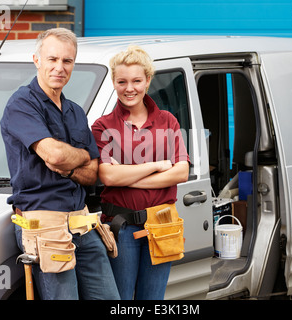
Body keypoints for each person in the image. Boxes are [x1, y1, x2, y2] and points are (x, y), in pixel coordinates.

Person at [0, 28, 119, 300]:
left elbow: (93, 172)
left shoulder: (75, 111)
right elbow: (54, 156)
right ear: (37, 60)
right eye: (52, 59)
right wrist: (79, 156)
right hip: (45, 226)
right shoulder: (21, 104)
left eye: (67, 61)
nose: (59, 67)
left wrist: (70, 161)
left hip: (82, 222)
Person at [91, 45, 190, 300]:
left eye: (136, 80)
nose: (129, 88)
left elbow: (181, 172)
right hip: (120, 227)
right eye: (122, 81)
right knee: (121, 299)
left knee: (153, 299)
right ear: (113, 82)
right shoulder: (103, 126)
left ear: (147, 80)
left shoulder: (168, 121)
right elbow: (108, 177)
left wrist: (126, 176)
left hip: (162, 224)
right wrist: (156, 165)